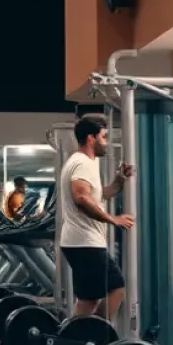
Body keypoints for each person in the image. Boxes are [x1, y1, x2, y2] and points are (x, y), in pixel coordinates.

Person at [58, 114, 135, 320]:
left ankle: (78, 334)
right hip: (85, 241)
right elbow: (82, 197)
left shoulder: (83, 162)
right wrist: (113, 219)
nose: (106, 142)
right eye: (104, 137)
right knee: (116, 287)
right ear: (91, 138)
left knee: (88, 299)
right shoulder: (82, 163)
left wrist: (119, 180)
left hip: (79, 241)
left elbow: (97, 196)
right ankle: (96, 333)